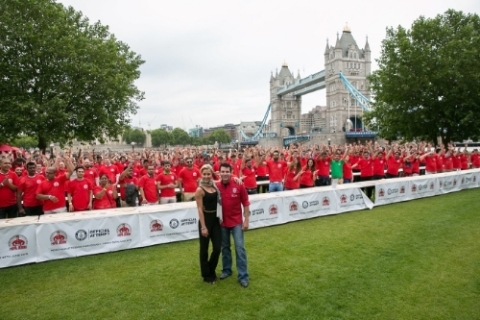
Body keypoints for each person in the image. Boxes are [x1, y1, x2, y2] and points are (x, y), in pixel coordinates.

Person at [217, 163, 251, 288]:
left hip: (237, 222)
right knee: (225, 247)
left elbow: (246, 203)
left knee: (240, 248)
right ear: (219, 173)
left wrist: (246, 220)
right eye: (222, 171)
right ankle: (227, 270)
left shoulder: (239, 184)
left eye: (227, 171)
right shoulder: (216, 186)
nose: (225, 173)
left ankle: (243, 276)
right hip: (222, 223)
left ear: (231, 172)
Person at [195, 164, 221, 284]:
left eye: (208, 174)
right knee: (204, 249)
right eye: (204, 174)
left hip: (215, 219)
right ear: (201, 174)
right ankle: (207, 275)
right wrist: (203, 227)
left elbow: (224, 179)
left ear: (211, 174)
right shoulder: (200, 190)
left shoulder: (214, 186)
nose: (206, 176)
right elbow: (199, 209)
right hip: (205, 219)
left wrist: (236, 178)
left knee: (217, 248)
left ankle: (210, 269)